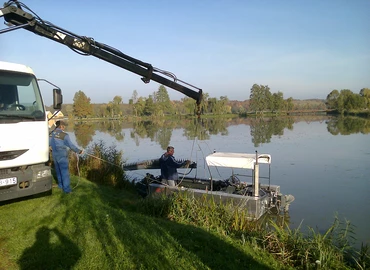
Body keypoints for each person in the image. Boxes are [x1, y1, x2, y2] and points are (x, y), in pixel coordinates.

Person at [49, 120, 83, 193]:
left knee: (58, 170)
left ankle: (60, 185)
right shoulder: (64, 135)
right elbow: (71, 145)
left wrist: (50, 147)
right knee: (64, 171)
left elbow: (48, 143)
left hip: (54, 153)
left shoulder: (51, 133)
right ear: (61, 126)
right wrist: (79, 151)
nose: (64, 128)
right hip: (62, 153)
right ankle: (67, 190)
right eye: (64, 126)